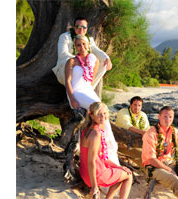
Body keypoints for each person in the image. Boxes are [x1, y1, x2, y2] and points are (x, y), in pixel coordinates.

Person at [64, 34, 119, 165]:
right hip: (76, 91)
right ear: (75, 47)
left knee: (103, 110)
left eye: (84, 44)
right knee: (99, 110)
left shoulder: (93, 60)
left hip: (87, 90)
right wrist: (72, 99)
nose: (81, 47)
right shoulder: (71, 61)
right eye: (78, 45)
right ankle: (108, 148)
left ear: (88, 45)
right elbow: (68, 82)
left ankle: (109, 150)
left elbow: (91, 80)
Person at [79, 102, 132, 199]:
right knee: (129, 175)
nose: (103, 116)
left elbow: (101, 158)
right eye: (99, 113)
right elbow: (91, 162)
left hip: (85, 172)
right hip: (95, 175)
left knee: (122, 172)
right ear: (92, 115)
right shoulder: (95, 134)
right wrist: (95, 187)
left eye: (104, 113)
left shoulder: (86, 130)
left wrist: (119, 167)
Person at [52, 16, 112, 89]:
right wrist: (78, 61)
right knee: (67, 61)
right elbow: (63, 53)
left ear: (87, 28)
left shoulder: (89, 39)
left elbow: (96, 50)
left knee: (103, 63)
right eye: (78, 27)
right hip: (65, 69)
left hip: (84, 69)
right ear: (74, 27)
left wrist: (106, 58)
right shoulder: (65, 37)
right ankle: (71, 93)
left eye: (84, 27)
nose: (81, 30)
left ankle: (88, 88)